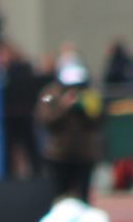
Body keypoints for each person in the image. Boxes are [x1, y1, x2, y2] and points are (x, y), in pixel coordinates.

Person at [35, 62, 104, 203]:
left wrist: (84, 108)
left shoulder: (89, 94)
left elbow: (98, 121)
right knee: (60, 196)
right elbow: (45, 119)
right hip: (59, 155)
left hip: (84, 154)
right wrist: (63, 106)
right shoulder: (49, 94)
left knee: (83, 197)